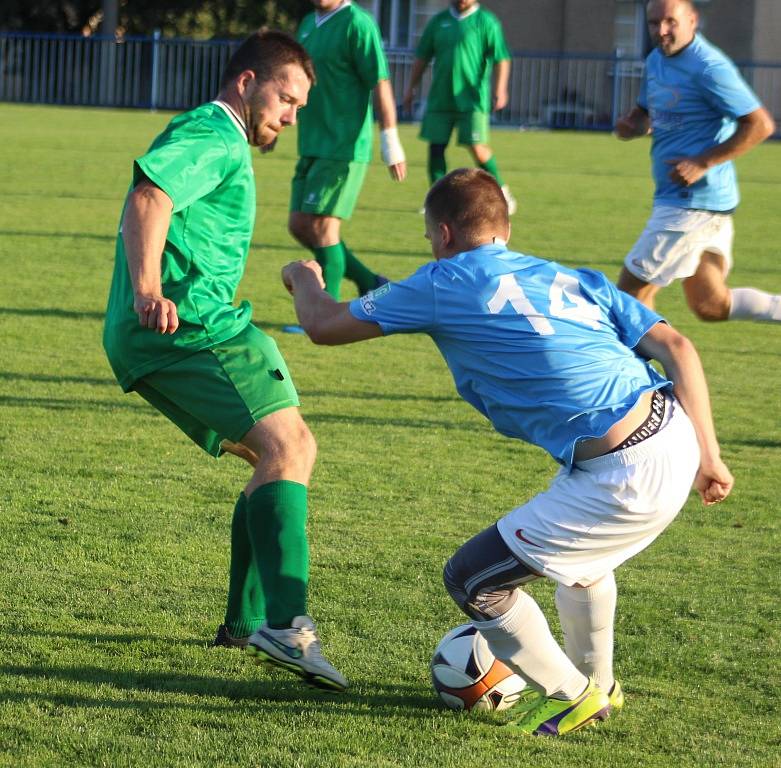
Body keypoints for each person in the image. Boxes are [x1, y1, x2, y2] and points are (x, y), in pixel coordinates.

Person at [280, 168, 733, 734]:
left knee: (474, 580)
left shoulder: (443, 280)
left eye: (429, 238)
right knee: (583, 565)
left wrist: (303, 276)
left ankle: (571, 695)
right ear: (506, 227)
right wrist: (710, 457)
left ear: (443, 234)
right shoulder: (571, 276)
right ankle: (601, 685)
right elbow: (678, 346)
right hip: (674, 435)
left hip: (623, 472)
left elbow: (322, 324)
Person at [102, 31, 348, 692]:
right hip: (188, 327)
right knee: (289, 448)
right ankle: (285, 622)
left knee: (266, 458)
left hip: (188, 325)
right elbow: (150, 195)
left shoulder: (217, 135)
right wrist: (149, 290)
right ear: (246, 82)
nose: (291, 117)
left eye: (297, 106)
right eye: (285, 99)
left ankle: (244, 625)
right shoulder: (215, 133)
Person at [615, 0, 779, 323]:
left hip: (691, 204)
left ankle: (660, 371)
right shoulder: (655, 60)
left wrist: (702, 162)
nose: (661, 31)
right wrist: (633, 124)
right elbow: (648, 113)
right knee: (710, 303)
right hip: (689, 201)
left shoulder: (709, 67)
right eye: (652, 23)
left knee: (631, 295)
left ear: (693, 20)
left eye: (670, 22)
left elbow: (760, 125)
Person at [286, 0, 407, 314]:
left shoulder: (358, 23)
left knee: (325, 227)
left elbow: (380, 83)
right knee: (299, 225)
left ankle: (327, 312)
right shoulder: (308, 23)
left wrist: (390, 142)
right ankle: (371, 283)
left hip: (343, 146)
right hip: (311, 141)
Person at [402, 0, 517, 215]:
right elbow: (422, 57)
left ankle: (501, 192)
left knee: (477, 147)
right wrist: (411, 87)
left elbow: (502, 58)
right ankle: (435, 203)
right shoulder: (439, 21)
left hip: (472, 100)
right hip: (440, 99)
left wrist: (500, 89)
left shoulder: (486, 22)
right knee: (436, 148)